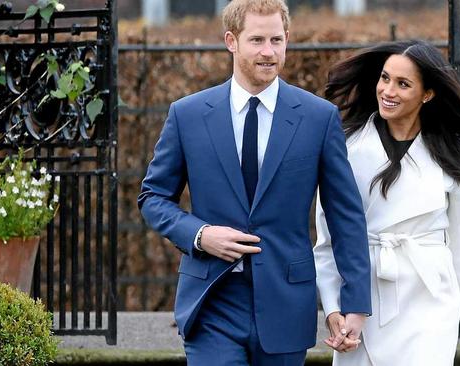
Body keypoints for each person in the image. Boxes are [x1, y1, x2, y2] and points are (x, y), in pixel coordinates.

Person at [137, 1, 371, 365]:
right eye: (257, 40)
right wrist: (200, 235)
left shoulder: (318, 118)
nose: (269, 52)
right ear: (231, 40)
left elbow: (346, 216)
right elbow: (153, 197)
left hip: (286, 302)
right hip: (211, 302)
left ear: (288, 39)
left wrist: (354, 303)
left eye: (277, 40)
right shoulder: (187, 115)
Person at [314, 40, 460, 366]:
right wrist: (334, 308)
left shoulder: (453, 152)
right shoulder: (345, 146)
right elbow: (327, 241)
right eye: (385, 78)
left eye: (403, 84)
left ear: (427, 94)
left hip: (429, 300)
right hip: (365, 298)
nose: (388, 91)